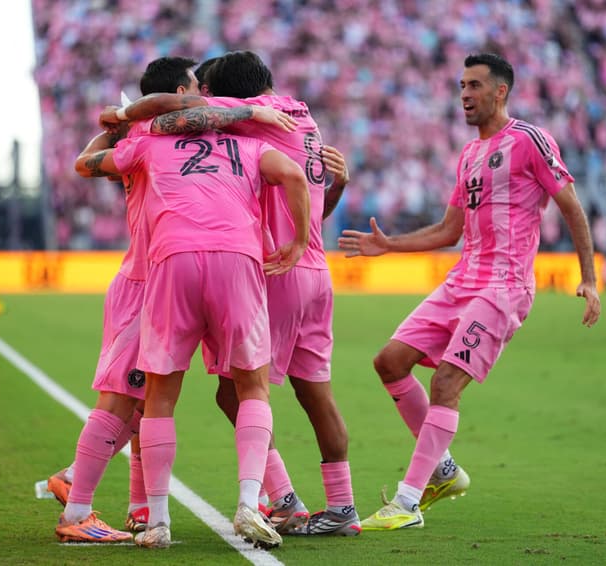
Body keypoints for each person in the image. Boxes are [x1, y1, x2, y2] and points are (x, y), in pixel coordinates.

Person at [100, 50, 406, 537]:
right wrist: (336, 190)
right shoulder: (304, 119)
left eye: (207, 89)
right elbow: (307, 199)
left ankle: (281, 498)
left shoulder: (246, 122)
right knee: (314, 392)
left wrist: (120, 115)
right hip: (313, 268)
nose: (201, 97)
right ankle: (343, 507)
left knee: (233, 390)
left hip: (272, 268)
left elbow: (162, 110)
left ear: (227, 95)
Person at [338, 53, 602, 530]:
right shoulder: (468, 154)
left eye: (475, 85)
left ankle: (407, 502)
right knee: (389, 362)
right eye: (462, 85)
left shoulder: (529, 139)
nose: (465, 94)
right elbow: (447, 230)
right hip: (463, 279)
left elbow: (570, 203)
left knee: (445, 384)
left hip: (504, 286)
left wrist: (588, 276)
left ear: (500, 91)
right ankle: (444, 471)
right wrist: (389, 245)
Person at [50, 56, 297, 544]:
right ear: (183, 93)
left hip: (159, 272)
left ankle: (139, 507)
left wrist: (116, 123)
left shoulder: (148, 141)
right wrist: (119, 121)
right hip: (147, 279)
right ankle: (77, 501)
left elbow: (91, 160)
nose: (202, 94)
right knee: (125, 399)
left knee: (147, 400)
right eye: (194, 88)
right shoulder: (153, 138)